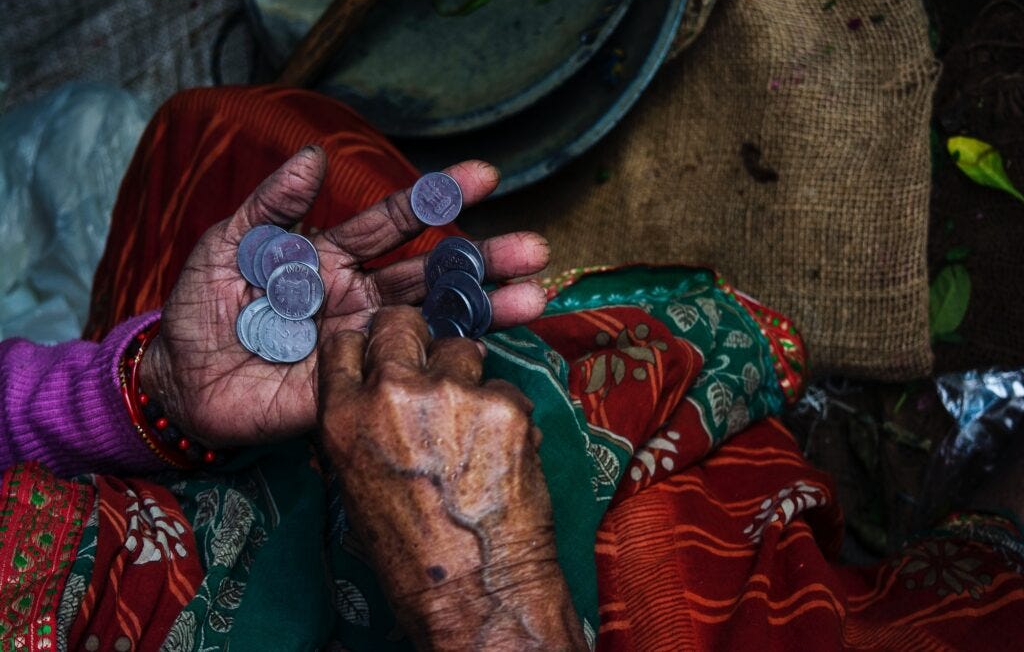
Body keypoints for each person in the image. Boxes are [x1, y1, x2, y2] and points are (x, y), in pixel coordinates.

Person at [1, 86, 1023, 651]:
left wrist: (149, 396)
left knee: (240, 134)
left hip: (138, 502)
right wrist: (480, 598)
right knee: (675, 552)